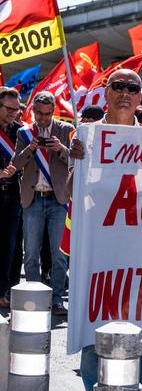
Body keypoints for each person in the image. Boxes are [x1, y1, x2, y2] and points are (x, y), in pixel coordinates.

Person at [68, 69, 142, 391]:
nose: (125, 93)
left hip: (141, 249)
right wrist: (77, 162)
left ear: (140, 97)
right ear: (105, 93)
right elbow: (73, 193)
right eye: (118, 86)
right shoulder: (87, 137)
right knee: (97, 330)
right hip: (100, 252)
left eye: (133, 88)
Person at [12, 91, 73, 315]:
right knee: (30, 253)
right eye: (39, 113)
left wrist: (60, 149)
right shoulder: (24, 132)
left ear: (54, 111)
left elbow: (77, 160)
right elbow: (16, 163)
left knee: (59, 254)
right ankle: (34, 298)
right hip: (33, 198)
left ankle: (57, 299)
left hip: (58, 199)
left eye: (47, 114)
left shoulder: (66, 130)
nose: (43, 118)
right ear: (33, 111)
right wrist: (32, 149)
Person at [0, 88, 23, 309]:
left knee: (11, 245)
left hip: (14, 194)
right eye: (9, 109)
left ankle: (7, 290)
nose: (14, 113)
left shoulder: (20, 131)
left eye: (17, 110)